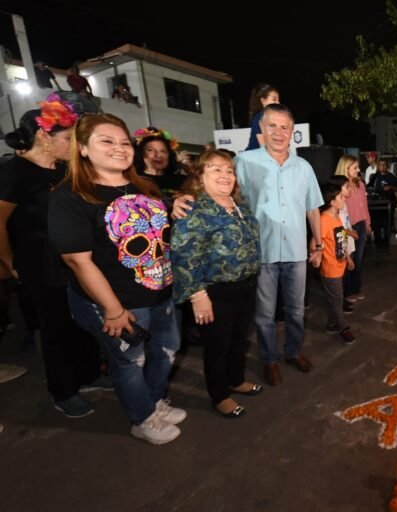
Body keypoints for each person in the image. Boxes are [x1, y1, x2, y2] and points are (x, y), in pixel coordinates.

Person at [49, 113, 185, 444]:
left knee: (168, 348)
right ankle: (142, 418)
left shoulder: (144, 187)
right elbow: (77, 261)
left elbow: (160, 233)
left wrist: (177, 204)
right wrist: (112, 309)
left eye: (124, 142)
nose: (119, 148)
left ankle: (151, 403)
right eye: (106, 141)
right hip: (118, 303)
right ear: (82, 148)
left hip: (159, 292)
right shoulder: (71, 196)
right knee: (130, 361)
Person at [174, 103, 323, 387]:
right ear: (262, 130)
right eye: (272, 126)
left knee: (296, 310)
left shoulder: (303, 167)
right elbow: (217, 190)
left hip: (296, 252)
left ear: (292, 132)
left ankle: (293, 351)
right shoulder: (243, 162)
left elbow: (312, 209)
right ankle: (269, 359)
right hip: (259, 254)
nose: (279, 132)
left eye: (284, 127)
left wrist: (317, 244)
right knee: (265, 314)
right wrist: (182, 200)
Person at [0, 94, 106, 418]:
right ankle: (63, 390)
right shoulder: (16, 171)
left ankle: (89, 374)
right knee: (55, 326)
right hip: (38, 260)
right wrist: (8, 263)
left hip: (75, 257)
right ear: (45, 136)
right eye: (66, 138)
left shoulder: (65, 170)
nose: (71, 144)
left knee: (84, 318)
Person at [171, 150, 262, 418]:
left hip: (245, 286)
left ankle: (236, 380)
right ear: (200, 176)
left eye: (229, 171)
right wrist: (198, 295)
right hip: (214, 291)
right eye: (216, 170)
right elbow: (184, 255)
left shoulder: (240, 208)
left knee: (238, 340)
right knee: (217, 346)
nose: (225, 176)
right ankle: (219, 395)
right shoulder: (194, 209)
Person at [317, 182, 356, 345]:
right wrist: (316, 254)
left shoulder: (336, 217)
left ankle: (332, 324)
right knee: (337, 299)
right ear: (332, 201)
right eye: (340, 196)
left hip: (340, 265)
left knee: (334, 299)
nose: (344, 198)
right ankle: (343, 327)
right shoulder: (323, 220)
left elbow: (340, 239)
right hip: (330, 269)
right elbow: (314, 243)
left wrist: (348, 258)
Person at [334, 155, 371, 303]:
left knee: (358, 259)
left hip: (361, 225)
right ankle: (347, 291)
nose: (358, 170)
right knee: (346, 258)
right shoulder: (340, 186)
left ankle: (356, 288)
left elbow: (364, 205)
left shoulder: (360, 184)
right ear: (346, 168)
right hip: (347, 227)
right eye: (355, 167)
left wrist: (368, 223)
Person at [133, 127, 185, 208]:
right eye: (150, 150)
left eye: (163, 151)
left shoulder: (183, 181)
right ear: (141, 154)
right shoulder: (133, 180)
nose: (158, 155)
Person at [370, 159, 397, 249]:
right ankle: (378, 243)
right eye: (380, 165)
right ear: (378, 166)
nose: (382, 167)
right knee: (375, 223)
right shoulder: (375, 176)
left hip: (388, 203)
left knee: (387, 223)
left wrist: (391, 187)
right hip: (376, 203)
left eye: (384, 165)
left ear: (387, 166)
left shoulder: (392, 177)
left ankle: (386, 243)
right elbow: (369, 187)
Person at [245, 84, 280, 151]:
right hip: (254, 156)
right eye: (274, 99)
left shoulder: (275, 118)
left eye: (278, 100)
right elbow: (263, 146)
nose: (278, 103)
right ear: (263, 101)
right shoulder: (259, 118)